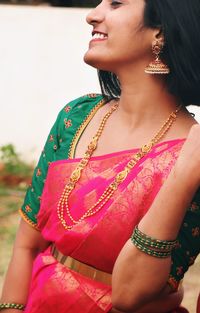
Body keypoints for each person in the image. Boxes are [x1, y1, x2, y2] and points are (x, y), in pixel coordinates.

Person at [0, 0, 200, 312]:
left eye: (116, 3)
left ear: (159, 29)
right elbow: (27, 245)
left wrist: (182, 177)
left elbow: (130, 295)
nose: (92, 14)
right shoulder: (76, 117)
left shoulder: (193, 155)